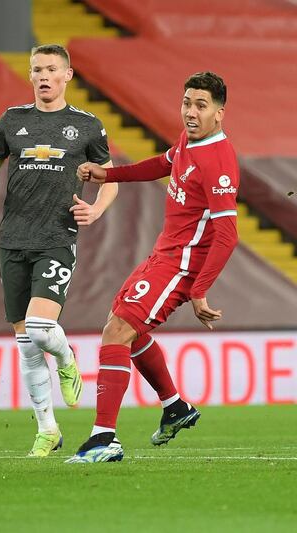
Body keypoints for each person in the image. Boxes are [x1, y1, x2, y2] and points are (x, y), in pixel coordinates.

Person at [67, 71, 239, 463]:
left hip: (181, 265)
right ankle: (175, 406)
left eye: (201, 105)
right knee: (122, 321)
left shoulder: (218, 162)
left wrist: (198, 290)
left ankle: (104, 438)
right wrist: (108, 174)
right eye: (187, 103)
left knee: (118, 328)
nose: (191, 112)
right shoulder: (188, 141)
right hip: (164, 254)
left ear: (219, 114)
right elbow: (163, 163)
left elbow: (228, 235)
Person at [0, 44, 118, 457]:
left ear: (68, 75)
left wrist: (96, 210)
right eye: (36, 69)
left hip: (56, 238)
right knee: (26, 344)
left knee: (41, 330)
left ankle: (68, 360)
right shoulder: (12, 120)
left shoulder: (86, 125)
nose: (43, 76)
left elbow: (111, 179)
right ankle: (48, 429)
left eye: (51, 69)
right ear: (30, 76)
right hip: (12, 240)